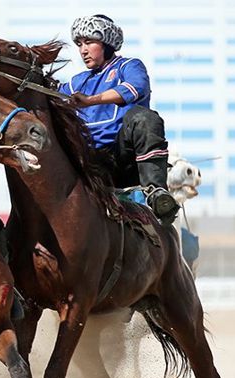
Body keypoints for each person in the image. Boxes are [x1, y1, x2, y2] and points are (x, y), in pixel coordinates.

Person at [59, 14, 179, 224]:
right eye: (79, 44)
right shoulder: (77, 82)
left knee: (144, 117)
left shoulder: (128, 66)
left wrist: (90, 100)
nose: (83, 50)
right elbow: (50, 96)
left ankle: (156, 193)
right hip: (91, 162)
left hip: (124, 159)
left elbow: (136, 88)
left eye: (89, 42)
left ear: (106, 44)